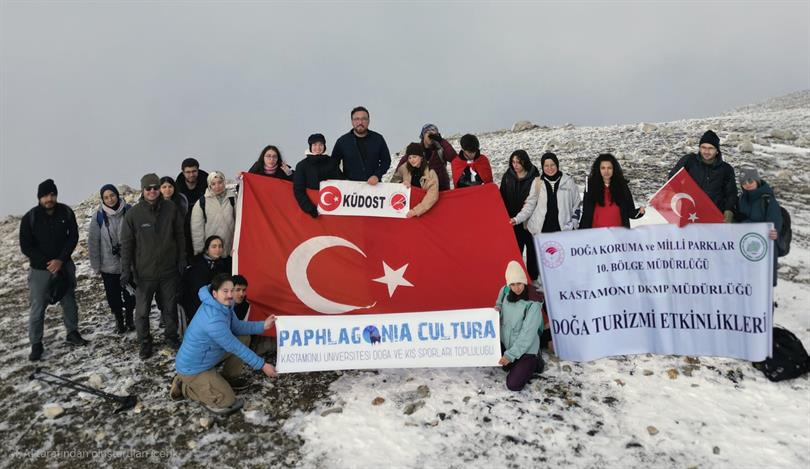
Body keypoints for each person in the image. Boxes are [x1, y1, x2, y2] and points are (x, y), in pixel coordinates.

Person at [171, 273, 278, 415]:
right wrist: (263, 365)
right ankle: (184, 386)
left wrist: (263, 325)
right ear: (214, 293)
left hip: (207, 356)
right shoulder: (213, 320)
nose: (230, 295)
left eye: (232, 290)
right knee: (227, 401)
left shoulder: (224, 305)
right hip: (193, 368)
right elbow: (234, 346)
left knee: (244, 337)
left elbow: (237, 327)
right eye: (225, 291)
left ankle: (228, 378)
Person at [20, 179, 88, 361]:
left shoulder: (66, 212)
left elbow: (73, 237)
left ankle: (72, 332)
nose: (49, 198)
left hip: (64, 265)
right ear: (39, 197)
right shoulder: (30, 218)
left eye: (52, 194)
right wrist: (47, 263)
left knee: (69, 300)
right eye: (45, 195)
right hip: (40, 270)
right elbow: (26, 246)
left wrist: (60, 260)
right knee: (38, 306)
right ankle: (36, 343)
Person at [120, 173, 186, 359]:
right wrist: (126, 270)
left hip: (168, 271)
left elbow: (180, 235)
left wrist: (182, 258)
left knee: (169, 308)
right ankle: (145, 343)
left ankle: (171, 337)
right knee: (141, 312)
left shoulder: (171, 208)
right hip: (144, 273)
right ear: (142, 190)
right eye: (148, 188)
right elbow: (127, 244)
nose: (152, 191)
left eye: (155, 188)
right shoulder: (133, 214)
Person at [88, 184, 135, 334]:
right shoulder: (99, 217)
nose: (110, 199)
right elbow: (93, 242)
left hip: (129, 263)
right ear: (102, 199)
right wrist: (96, 265)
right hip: (108, 266)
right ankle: (119, 320)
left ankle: (129, 318)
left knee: (130, 294)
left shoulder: (129, 211)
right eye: (106, 197)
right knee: (113, 297)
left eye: (112, 195)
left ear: (117, 195)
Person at [494, 261, 543, 391]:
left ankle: (535, 360)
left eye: (519, 283)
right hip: (509, 344)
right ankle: (517, 362)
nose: (516, 288)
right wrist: (498, 308)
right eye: (513, 284)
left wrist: (510, 355)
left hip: (526, 348)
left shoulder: (533, 303)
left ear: (524, 281)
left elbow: (527, 334)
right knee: (505, 367)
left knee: (513, 385)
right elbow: (499, 301)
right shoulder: (505, 291)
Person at [668, 130, 737, 222]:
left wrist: (729, 211)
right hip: (689, 214)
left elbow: (731, 193)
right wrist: (682, 198)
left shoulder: (726, 169)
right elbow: (672, 179)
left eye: (710, 148)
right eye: (703, 147)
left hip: (714, 215)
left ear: (717, 150)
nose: (706, 151)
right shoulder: (688, 161)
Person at [511, 152, 581, 235]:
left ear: (557, 165)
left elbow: (576, 205)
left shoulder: (568, 181)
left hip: (564, 230)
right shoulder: (537, 182)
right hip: (542, 231)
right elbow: (530, 205)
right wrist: (517, 219)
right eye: (546, 166)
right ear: (542, 167)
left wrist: (574, 223)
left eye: (552, 165)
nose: (550, 168)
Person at [736, 167, 782, 287]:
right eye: (744, 183)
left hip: (764, 250)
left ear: (757, 181)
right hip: (744, 247)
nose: (747, 185)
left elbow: (775, 225)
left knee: (763, 282)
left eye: (750, 181)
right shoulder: (741, 199)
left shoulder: (768, 201)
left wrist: (775, 233)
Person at [500, 150, 540, 282]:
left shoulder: (535, 177)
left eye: (518, 162)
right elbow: (502, 196)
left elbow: (536, 200)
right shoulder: (507, 176)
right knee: (516, 251)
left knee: (532, 252)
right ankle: (518, 280)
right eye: (513, 162)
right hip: (512, 221)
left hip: (530, 221)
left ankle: (533, 279)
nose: (515, 165)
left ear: (525, 162)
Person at [579, 153, 645, 229]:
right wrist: (581, 233)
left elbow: (630, 211)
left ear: (614, 169)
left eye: (609, 168)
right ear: (598, 169)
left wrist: (639, 212)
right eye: (603, 168)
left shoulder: (622, 186)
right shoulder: (590, 186)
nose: (606, 171)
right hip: (596, 234)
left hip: (618, 235)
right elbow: (586, 214)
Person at [331, 106, 391, 185]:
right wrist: (343, 179)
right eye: (357, 119)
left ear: (368, 121)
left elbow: (386, 160)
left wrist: (377, 175)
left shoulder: (378, 139)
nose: (360, 122)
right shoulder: (342, 141)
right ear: (352, 121)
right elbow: (333, 164)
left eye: (364, 119)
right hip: (349, 189)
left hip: (374, 188)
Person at [181, 235, 232, 323]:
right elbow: (196, 292)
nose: (218, 249)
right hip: (197, 306)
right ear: (207, 250)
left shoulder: (223, 264)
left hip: (214, 305)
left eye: (220, 246)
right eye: (214, 246)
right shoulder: (196, 266)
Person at [293, 133, 344, 217]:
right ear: (310, 146)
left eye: (321, 144)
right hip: (310, 210)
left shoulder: (332, 162)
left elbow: (340, 182)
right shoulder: (302, 165)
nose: (318, 147)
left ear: (324, 146)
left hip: (331, 206)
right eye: (315, 144)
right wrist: (309, 208)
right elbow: (298, 190)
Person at [394, 124, 457, 191]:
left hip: (440, 190)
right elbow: (398, 175)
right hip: (417, 191)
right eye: (429, 133)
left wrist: (441, 141)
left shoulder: (440, 149)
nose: (432, 136)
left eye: (435, 134)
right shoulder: (414, 150)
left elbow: (453, 158)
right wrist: (401, 184)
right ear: (423, 135)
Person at [190, 171, 236, 256]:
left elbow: (239, 221)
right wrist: (199, 252)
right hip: (212, 252)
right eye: (213, 184)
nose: (217, 186)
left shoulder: (232, 198)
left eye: (220, 182)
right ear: (209, 185)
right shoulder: (201, 202)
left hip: (231, 250)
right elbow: (197, 230)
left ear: (224, 182)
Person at [390, 142, 440, 218]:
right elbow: (393, 182)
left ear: (421, 157)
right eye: (409, 158)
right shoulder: (404, 168)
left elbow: (433, 195)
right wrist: (401, 184)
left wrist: (416, 211)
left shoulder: (430, 173)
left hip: (422, 212)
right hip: (405, 207)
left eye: (414, 157)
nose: (412, 160)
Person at [175, 158, 209, 261]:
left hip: (205, 222)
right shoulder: (178, 187)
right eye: (188, 172)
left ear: (198, 170)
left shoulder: (207, 183)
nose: (191, 175)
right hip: (186, 224)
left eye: (194, 171)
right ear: (183, 172)